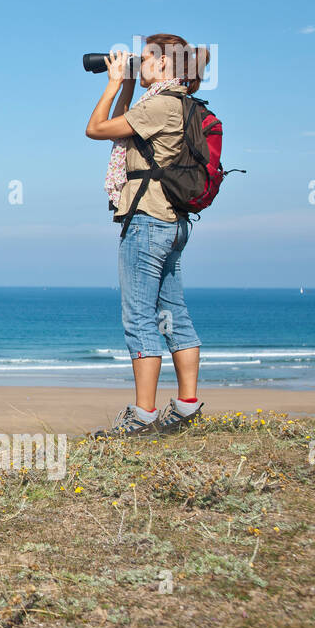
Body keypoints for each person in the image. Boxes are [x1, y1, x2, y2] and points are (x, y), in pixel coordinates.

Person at [85, 34, 208, 437]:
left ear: (167, 65)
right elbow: (126, 132)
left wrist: (112, 83)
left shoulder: (159, 105)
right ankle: (187, 407)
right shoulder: (178, 103)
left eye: (148, 59)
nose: (142, 63)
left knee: (139, 318)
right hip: (172, 222)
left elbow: (97, 128)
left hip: (148, 220)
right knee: (173, 314)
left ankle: (144, 416)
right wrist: (128, 87)